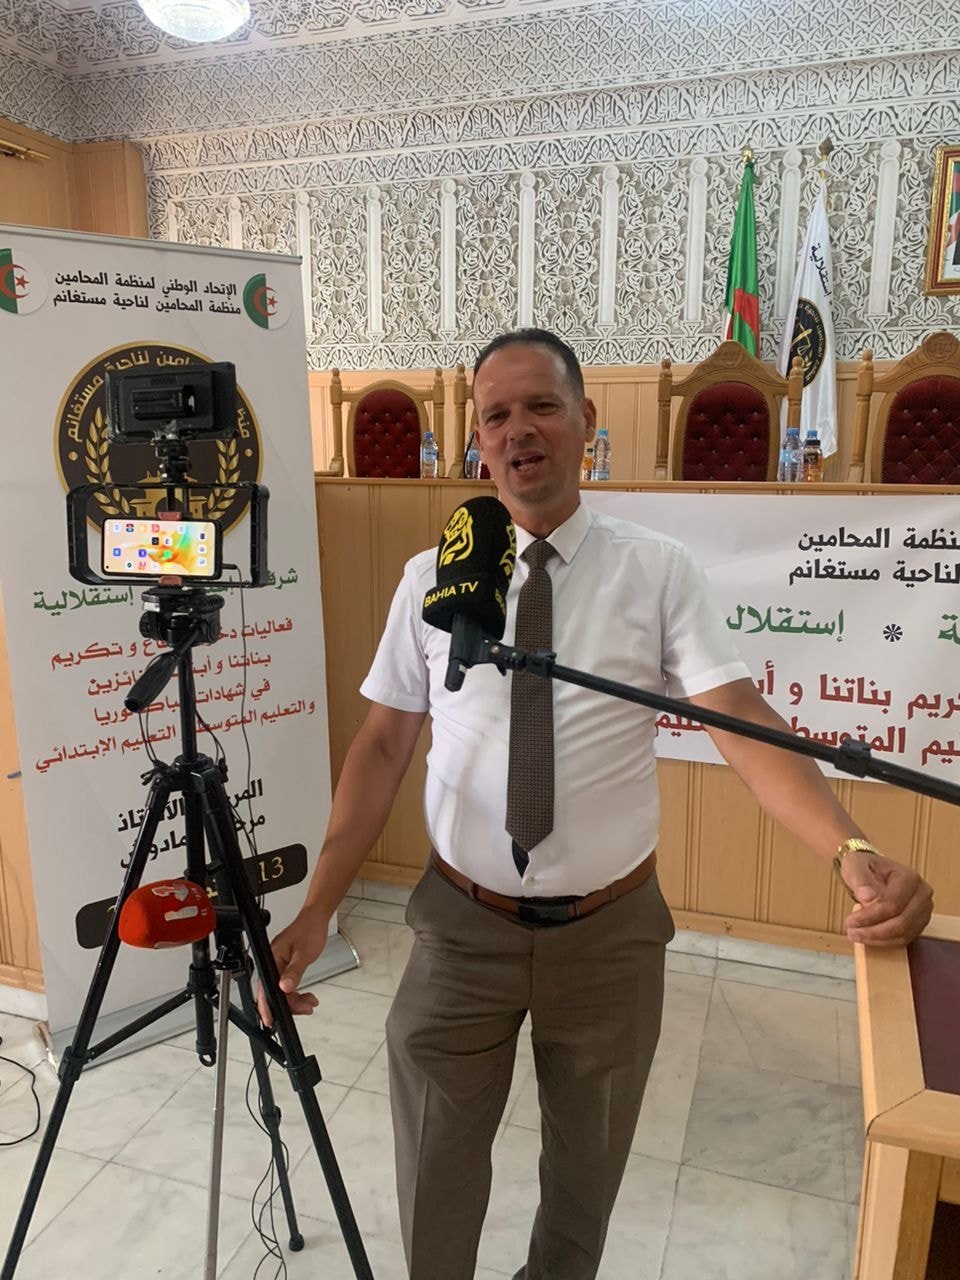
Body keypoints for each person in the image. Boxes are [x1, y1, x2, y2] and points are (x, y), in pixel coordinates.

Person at [259, 328, 934, 1280]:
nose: (518, 430)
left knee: (586, 1178)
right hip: (459, 928)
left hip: (610, 938)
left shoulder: (655, 570)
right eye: (496, 415)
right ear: (477, 441)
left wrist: (849, 848)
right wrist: (318, 905)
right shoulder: (430, 580)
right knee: (435, 1167)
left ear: (586, 420)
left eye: (542, 406)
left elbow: (740, 722)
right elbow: (381, 746)